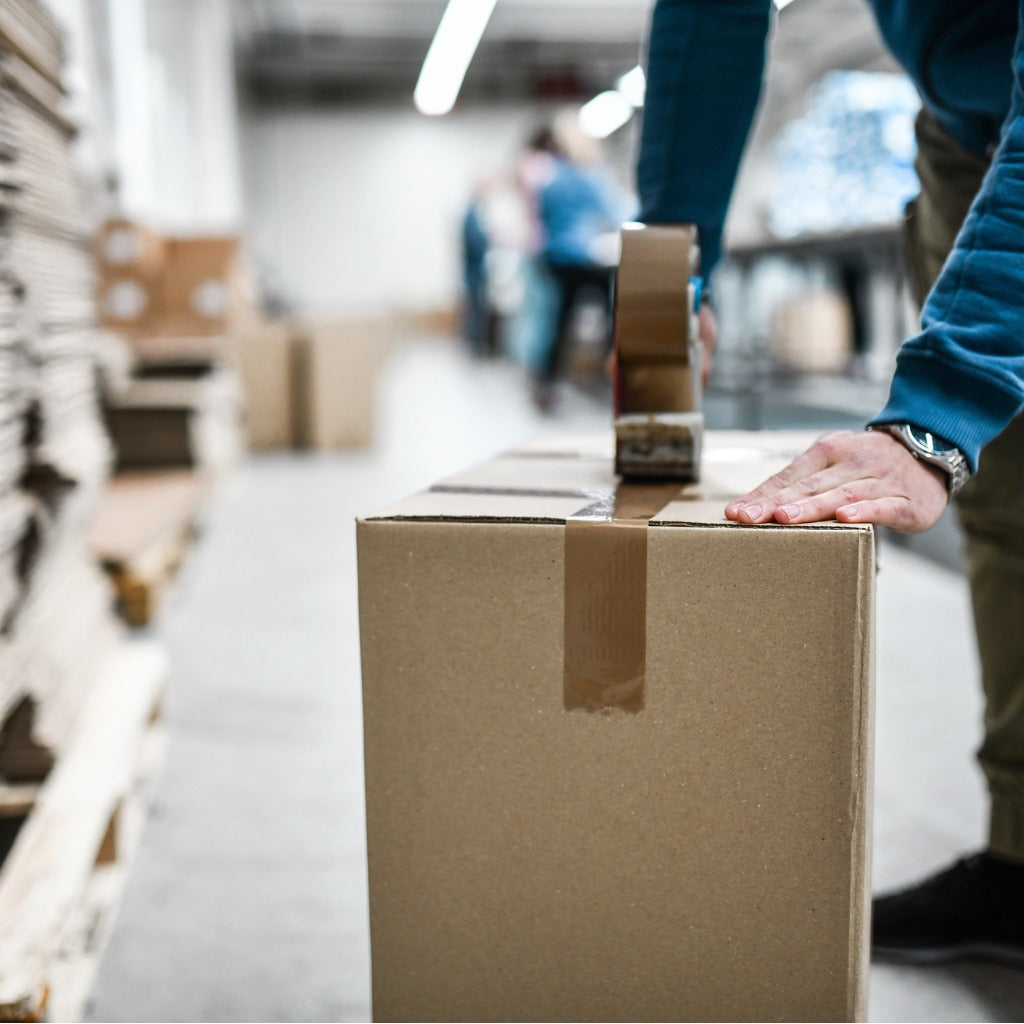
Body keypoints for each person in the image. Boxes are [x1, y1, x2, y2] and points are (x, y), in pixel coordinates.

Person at [637, 0, 1024, 964]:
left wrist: (939, 412)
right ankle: (1023, 863)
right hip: (968, 136)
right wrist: (668, 270)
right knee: (1011, 524)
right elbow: (711, 15)